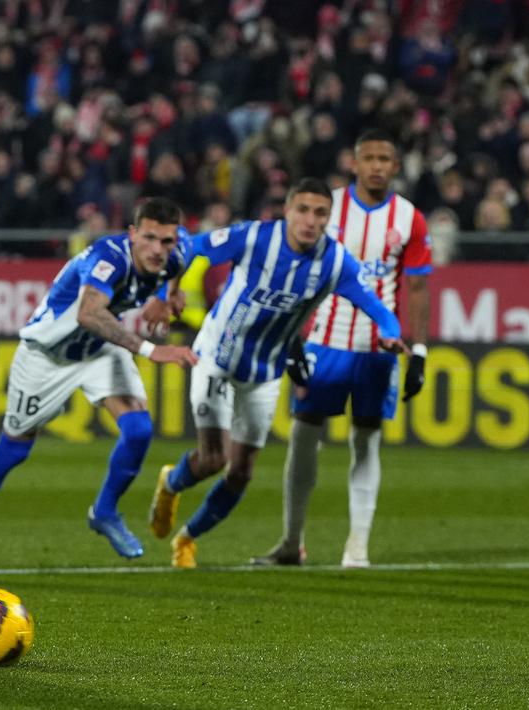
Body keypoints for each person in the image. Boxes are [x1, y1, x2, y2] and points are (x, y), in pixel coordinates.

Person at [147, 178, 407, 569]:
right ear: (286, 210)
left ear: (328, 219)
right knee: (214, 458)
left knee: (241, 472)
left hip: (265, 373)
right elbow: (189, 245)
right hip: (215, 358)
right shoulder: (252, 238)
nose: (310, 220)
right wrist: (171, 288)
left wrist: (390, 333)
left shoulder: (336, 263)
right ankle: (171, 483)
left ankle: (187, 538)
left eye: (320, 213)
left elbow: (378, 308)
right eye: (302, 209)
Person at [0, 197, 199, 572]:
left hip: (99, 351)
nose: (158, 250)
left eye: (166, 241)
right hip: (47, 355)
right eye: (149, 238)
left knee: (138, 429)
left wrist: (168, 295)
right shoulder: (109, 255)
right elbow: (88, 313)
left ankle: (105, 511)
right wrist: (150, 350)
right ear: (132, 234)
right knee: (14, 449)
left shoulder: (178, 255)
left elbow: (185, 260)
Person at [252, 131, 431, 568]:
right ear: (354, 163)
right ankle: (292, 542)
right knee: (304, 433)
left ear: (395, 165)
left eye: (384, 158)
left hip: (377, 348)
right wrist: (292, 335)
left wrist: (419, 349)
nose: (375, 166)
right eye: (368, 157)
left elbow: (419, 285)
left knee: (366, 439)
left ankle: (357, 547)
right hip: (324, 340)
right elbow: (297, 269)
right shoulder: (327, 210)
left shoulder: (409, 218)